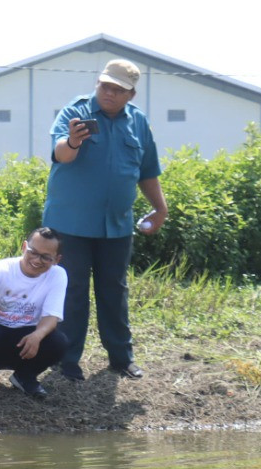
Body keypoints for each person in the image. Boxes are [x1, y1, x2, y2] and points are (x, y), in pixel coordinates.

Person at [43, 58, 168, 381]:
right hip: (71, 224)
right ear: (97, 84)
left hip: (117, 225)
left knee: (115, 290)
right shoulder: (76, 112)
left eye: (117, 89)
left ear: (131, 95)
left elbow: (148, 171)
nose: (108, 93)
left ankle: (121, 358)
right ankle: (66, 359)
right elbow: (60, 153)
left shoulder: (138, 122)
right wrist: (73, 141)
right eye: (104, 86)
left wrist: (160, 208)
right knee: (71, 291)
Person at [0, 228, 70, 400]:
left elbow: (51, 317)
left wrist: (37, 336)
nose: (37, 260)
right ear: (24, 247)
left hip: (27, 341)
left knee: (58, 341)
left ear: (57, 259)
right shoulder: (2, 267)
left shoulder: (58, 275)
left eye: (46, 257)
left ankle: (25, 376)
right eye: (33, 252)